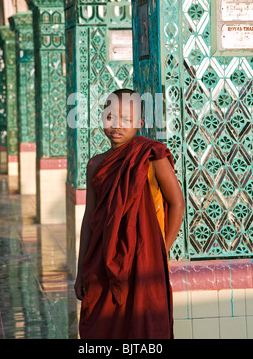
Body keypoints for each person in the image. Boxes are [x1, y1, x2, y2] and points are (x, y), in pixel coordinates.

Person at [74, 88, 185, 339]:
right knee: (100, 324)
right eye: (111, 117)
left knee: (143, 326)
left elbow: (177, 203)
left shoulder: (151, 156)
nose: (117, 125)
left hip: (144, 262)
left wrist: (159, 249)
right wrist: (81, 269)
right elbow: (89, 220)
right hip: (102, 261)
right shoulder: (96, 164)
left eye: (126, 119)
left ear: (140, 123)